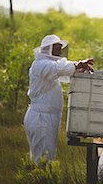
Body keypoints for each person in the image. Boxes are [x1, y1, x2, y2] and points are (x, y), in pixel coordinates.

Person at [24, 34, 94, 163]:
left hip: (47, 118)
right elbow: (58, 69)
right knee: (42, 158)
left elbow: (65, 72)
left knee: (47, 156)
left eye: (60, 48)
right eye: (56, 48)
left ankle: (42, 180)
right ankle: (40, 181)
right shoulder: (40, 65)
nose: (59, 51)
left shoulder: (49, 66)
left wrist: (78, 69)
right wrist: (77, 64)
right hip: (41, 118)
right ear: (48, 49)